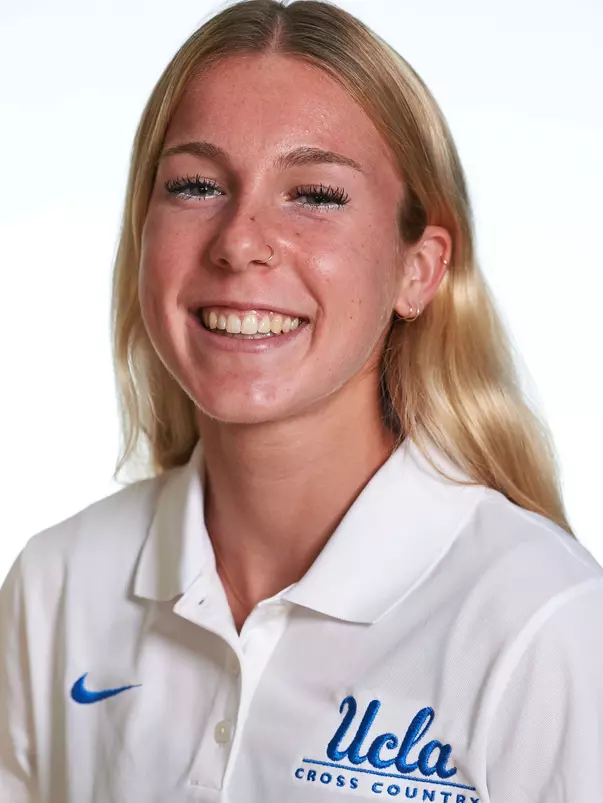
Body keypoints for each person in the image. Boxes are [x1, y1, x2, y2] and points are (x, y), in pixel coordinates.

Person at [1, 0, 602, 800]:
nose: (240, 240)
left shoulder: (542, 621)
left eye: (314, 194)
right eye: (195, 184)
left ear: (417, 269)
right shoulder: (58, 583)